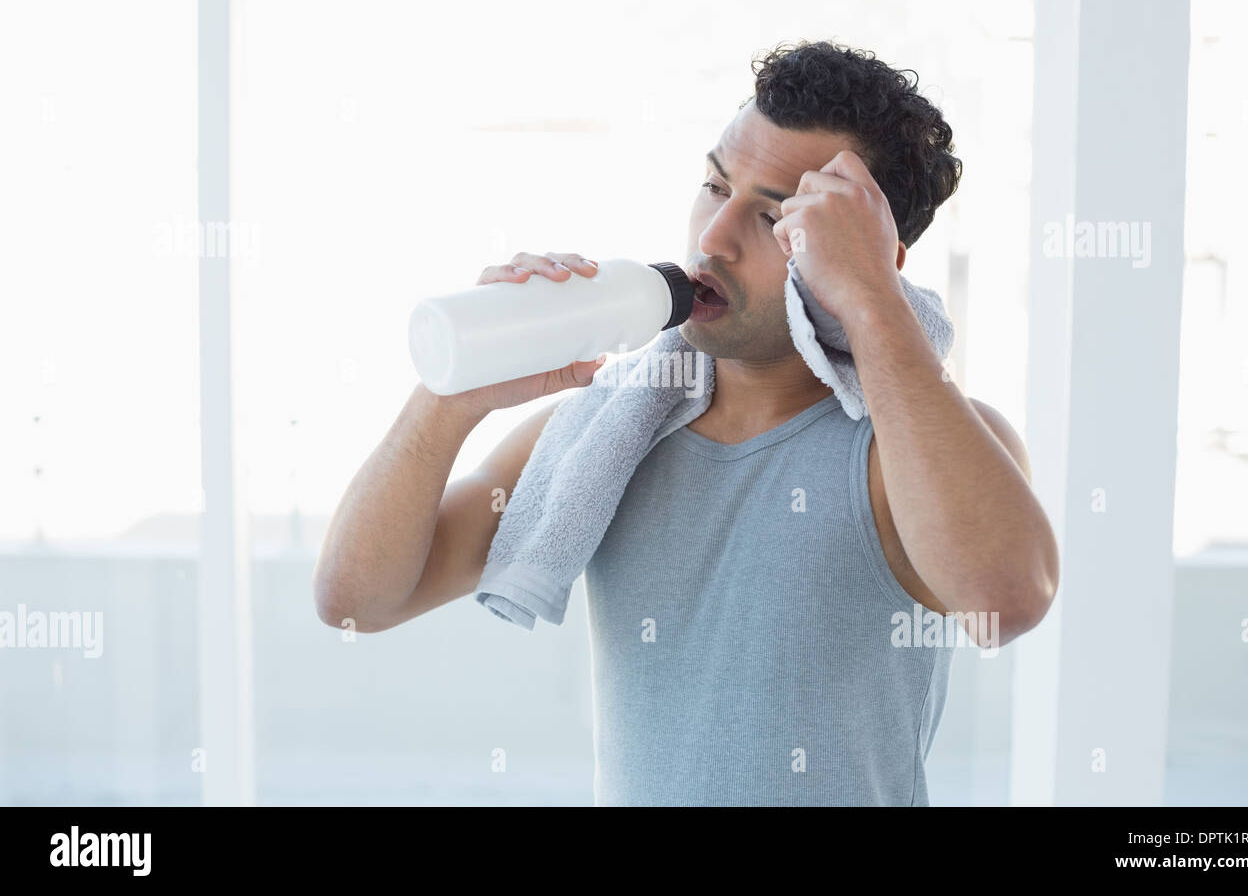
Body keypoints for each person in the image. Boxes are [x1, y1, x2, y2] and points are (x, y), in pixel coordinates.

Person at [312, 39, 1059, 805]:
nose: (714, 238)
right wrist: (452, 391)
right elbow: (356, 602)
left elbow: (1005, 602)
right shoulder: (605, 435)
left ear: (867, 256)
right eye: (713, 184)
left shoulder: (908, 452)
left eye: (773, 217)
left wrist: (872, 302)